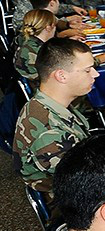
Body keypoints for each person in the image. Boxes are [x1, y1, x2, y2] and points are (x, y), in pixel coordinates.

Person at [13, 38, 95, 197]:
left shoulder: (49, 103)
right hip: (72, 202)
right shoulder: (49, 133)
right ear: (61, 76)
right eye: (87, 70)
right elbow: (90, 183)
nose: (95, 74)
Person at [15, 9, 59, 85]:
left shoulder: (26, 41)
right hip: (44, 89)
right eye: (55, 26)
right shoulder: (40, 52)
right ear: (48, 28)